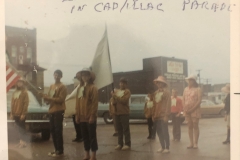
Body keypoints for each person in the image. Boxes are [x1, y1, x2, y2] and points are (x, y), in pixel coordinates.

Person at [41, 70, 67, 157]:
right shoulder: (52, 86)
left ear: (61, 76)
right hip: (51, 110)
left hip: (59, 111)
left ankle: (60, 150)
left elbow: (60, 100)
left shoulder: (63, 86)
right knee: (52, 130)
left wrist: (49, 98)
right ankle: (56, 150)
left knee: (58, 130)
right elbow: (48, 100)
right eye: (55, 75)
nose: (56, 76)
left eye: (58, 75)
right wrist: (44, 97)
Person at [75, 68, 98, 160]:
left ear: (90, 77)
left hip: (89, 116)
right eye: (83, 75)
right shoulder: (79, 88)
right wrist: (77, 115)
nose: (84, 77)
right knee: (84, 136)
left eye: (86, 75)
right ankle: (87, 153)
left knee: (92, 136)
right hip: (82, 116)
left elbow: (94, 103)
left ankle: (93, 155)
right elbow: (77, 102)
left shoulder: (93, 88)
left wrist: (92, 115)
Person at [152, 76, 171, 153]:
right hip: (157, 115)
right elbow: (154, 104)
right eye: (158, 82)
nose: (159, 84)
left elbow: (168, 104)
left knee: (164, 131)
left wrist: (166, 115)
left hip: (163, 115)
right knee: (159, 131)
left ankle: (167, 147)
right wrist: (153, 114)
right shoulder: (155, 93)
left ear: (163, 84)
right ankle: (162, 146)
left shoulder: (166, 92)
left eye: (160, 82)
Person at [111, 77, 131, 151]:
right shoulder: (116, 91)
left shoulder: (127, 91)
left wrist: (115, 97)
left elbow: (124, 101)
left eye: (123, 83)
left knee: (125, 129)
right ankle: (120, 143)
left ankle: (127, 144)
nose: (121, 84)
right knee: (119, 129)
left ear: (126, 84)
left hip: (124, 112)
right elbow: (113, 102)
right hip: (117, 113)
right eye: (120, 83)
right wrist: (113, 97)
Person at [182, 75, 202, 149]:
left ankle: (195, 143)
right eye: (189, 80)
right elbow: (183, 99)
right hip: (187, 110)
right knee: (189, 126)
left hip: (195, 110)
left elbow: (199, 100)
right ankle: (191, 142)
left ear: (194, 81)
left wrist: (192, 109)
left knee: (195, 125)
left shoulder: (198, 89)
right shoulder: (185, 89)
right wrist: (185, 108)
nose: (190, 81)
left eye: (192, 80)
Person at [10, 77, 29, 148]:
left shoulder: (25, 92)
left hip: (21, 114)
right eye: (18, 82)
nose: (19, 83)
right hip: (15, 113)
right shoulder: (14, 92)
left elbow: (25, 104)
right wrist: (11, 113)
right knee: (18, 128)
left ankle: (23, 142)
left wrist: (23, 114)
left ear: (23, 84)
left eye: (21, 82)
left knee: (22, 128)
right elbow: (12, 103)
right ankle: (21, 142)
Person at [72, 74, 83, 142]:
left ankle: (81, 136)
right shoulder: (75, 88)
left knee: (80, 123)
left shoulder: (81, 87)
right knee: (76, 123)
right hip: (75, 108)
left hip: (80, 109)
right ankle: (78, 136)